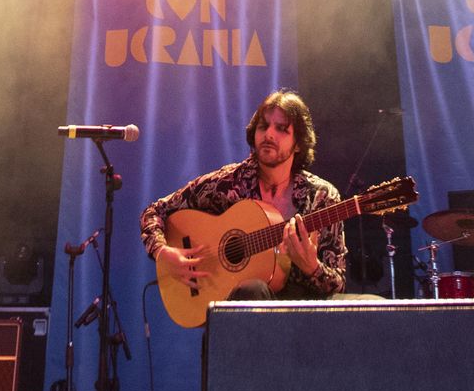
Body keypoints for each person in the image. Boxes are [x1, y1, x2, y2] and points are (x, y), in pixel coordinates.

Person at [141, 89, 346, 300]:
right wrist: (162, 253)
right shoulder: (227, 183)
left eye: (282, 129)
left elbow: (337, 286)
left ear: (298, 144)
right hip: (236, 313)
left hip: (301, 318)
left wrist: (312, 267)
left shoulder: (322, 197)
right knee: (252, 291)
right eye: (263, 126)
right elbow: (155, 211)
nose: (269, 134)